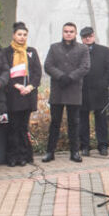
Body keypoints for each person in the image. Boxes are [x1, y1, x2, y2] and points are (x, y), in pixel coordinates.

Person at [42, 22, 90, 163]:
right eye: (66, 31)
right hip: (58, 90)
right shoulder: (54, 47)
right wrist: (60, 76)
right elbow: (48, 65)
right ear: (62, 33)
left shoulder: (83, 49)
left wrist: (70, 77)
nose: (68, 33)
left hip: (74, 90)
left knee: (74, 123)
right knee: (55, 123)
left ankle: (74, 152)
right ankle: (50, 152)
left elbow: (85, 67)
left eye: (71, 31)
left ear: (75, 33)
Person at [1, 22, 42, 167]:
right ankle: (12, 156)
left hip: (27, 95)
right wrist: (16, 85)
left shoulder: (31, 51)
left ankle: (23, 156)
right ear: (13, 35)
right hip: (13, 95)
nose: (22, 37)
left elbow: (37, 73)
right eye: (19, 34)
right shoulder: (6, 52)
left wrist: (30, 87)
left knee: (23, 128)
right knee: (13, 127)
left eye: (24, 35)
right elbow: (5, 72)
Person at [78, 27, 109, 157]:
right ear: (81, 38)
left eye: (89, 35)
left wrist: (104, 83)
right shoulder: (78, 50)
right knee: (83, 120)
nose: (87, 38)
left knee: (101, 119)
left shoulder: (103, 50)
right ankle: (85, 146)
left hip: (100, 91)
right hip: (82, 91)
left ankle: (103, 145)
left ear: (93, 36)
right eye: (84, 36)